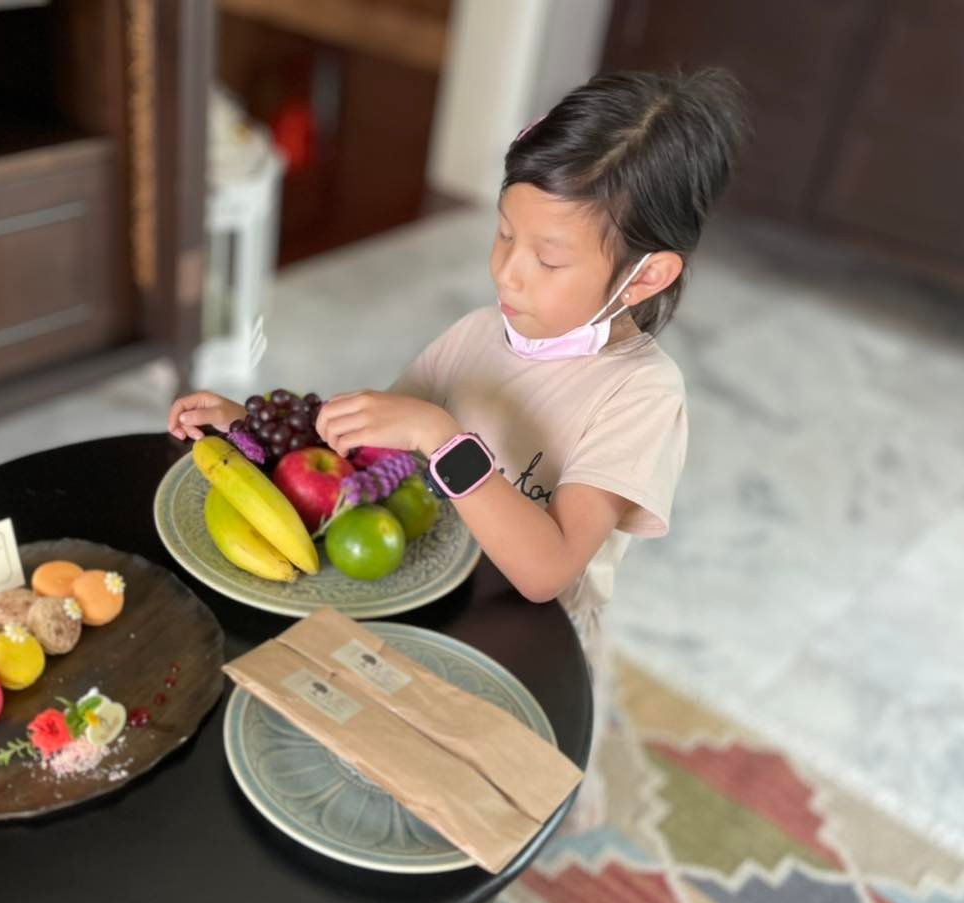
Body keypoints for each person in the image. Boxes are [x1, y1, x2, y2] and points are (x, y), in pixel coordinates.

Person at [167, 69, 748, 828]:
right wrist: (249, 427)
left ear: (646, 277)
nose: (508, 271)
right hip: (436, 603)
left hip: (531, 645)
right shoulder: (480, 334)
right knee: (393, 776)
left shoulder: (639, 395)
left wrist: (444, 437)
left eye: (548, 258)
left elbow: (546, 570)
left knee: (499, 799)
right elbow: (368, 448)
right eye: (505, 234)